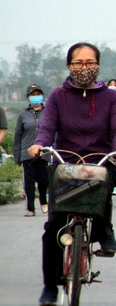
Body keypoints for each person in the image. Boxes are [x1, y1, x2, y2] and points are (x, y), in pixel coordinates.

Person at [28, 42, 116, 306]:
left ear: (98, 66)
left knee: (106, 178)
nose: (84, 68)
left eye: (90, 63)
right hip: (65, 164)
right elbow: (47, 128)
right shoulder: (58, 96)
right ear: (69, 66)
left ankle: (104, 230)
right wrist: (39, 144)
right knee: (53, 229)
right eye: (78, 63)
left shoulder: (111, 97)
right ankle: (50, 287)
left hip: (99, 162)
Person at [14, 84, 49, 216]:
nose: (36, 97)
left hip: (44, 152)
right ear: (28, 97)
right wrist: (17, 156)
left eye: (38, 94)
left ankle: (43, 201)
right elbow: (18, 136)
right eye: (33, 95)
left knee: (43, 180)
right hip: (26, 153)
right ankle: (30, 208)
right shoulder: (23, 114)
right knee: (28, 182)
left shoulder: (48, 112)